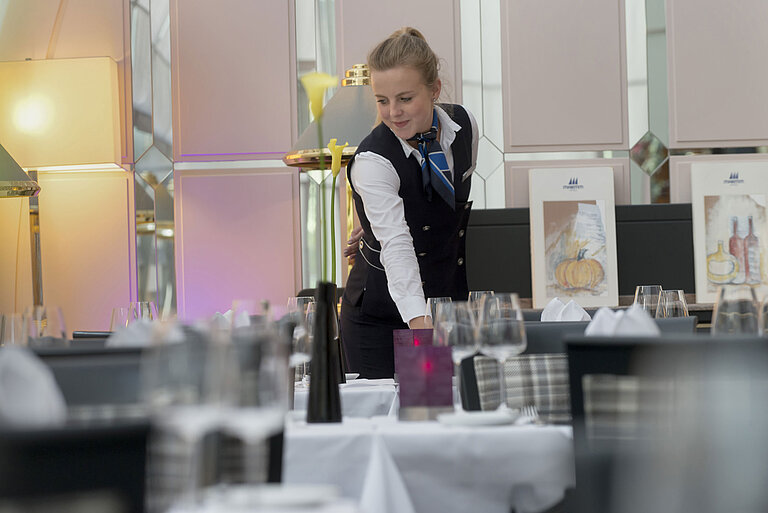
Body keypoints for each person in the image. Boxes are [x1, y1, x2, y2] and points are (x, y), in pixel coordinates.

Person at [340, 27, 479, 378]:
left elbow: (448, 203)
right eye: (382, 100)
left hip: (448, 304)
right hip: (379, 320)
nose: (393, 113)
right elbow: (399, 248)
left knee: (445, 422)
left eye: (405, 98)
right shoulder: (373, 161)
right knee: (389, 426)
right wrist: (423, 331)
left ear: (434, 89)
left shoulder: (465, 127)